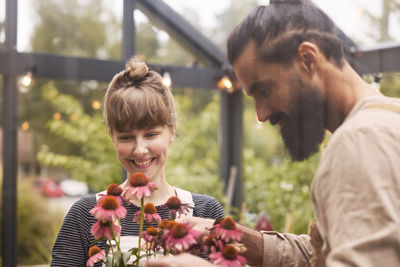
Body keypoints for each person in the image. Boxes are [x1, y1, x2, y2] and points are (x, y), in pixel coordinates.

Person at [147, 0, 400, 266]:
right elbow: (324, 252)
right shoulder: (387, 119)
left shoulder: (359, 141)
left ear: (307, 60)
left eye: (264, 91)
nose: (261, 114)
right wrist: (228, 235)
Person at [50, 58, 225, 266]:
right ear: (112, 136)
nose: (140, 149)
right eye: (126, 137)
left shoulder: (204, 212)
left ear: (172, 132)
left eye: (151, 135)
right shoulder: (85, 215)